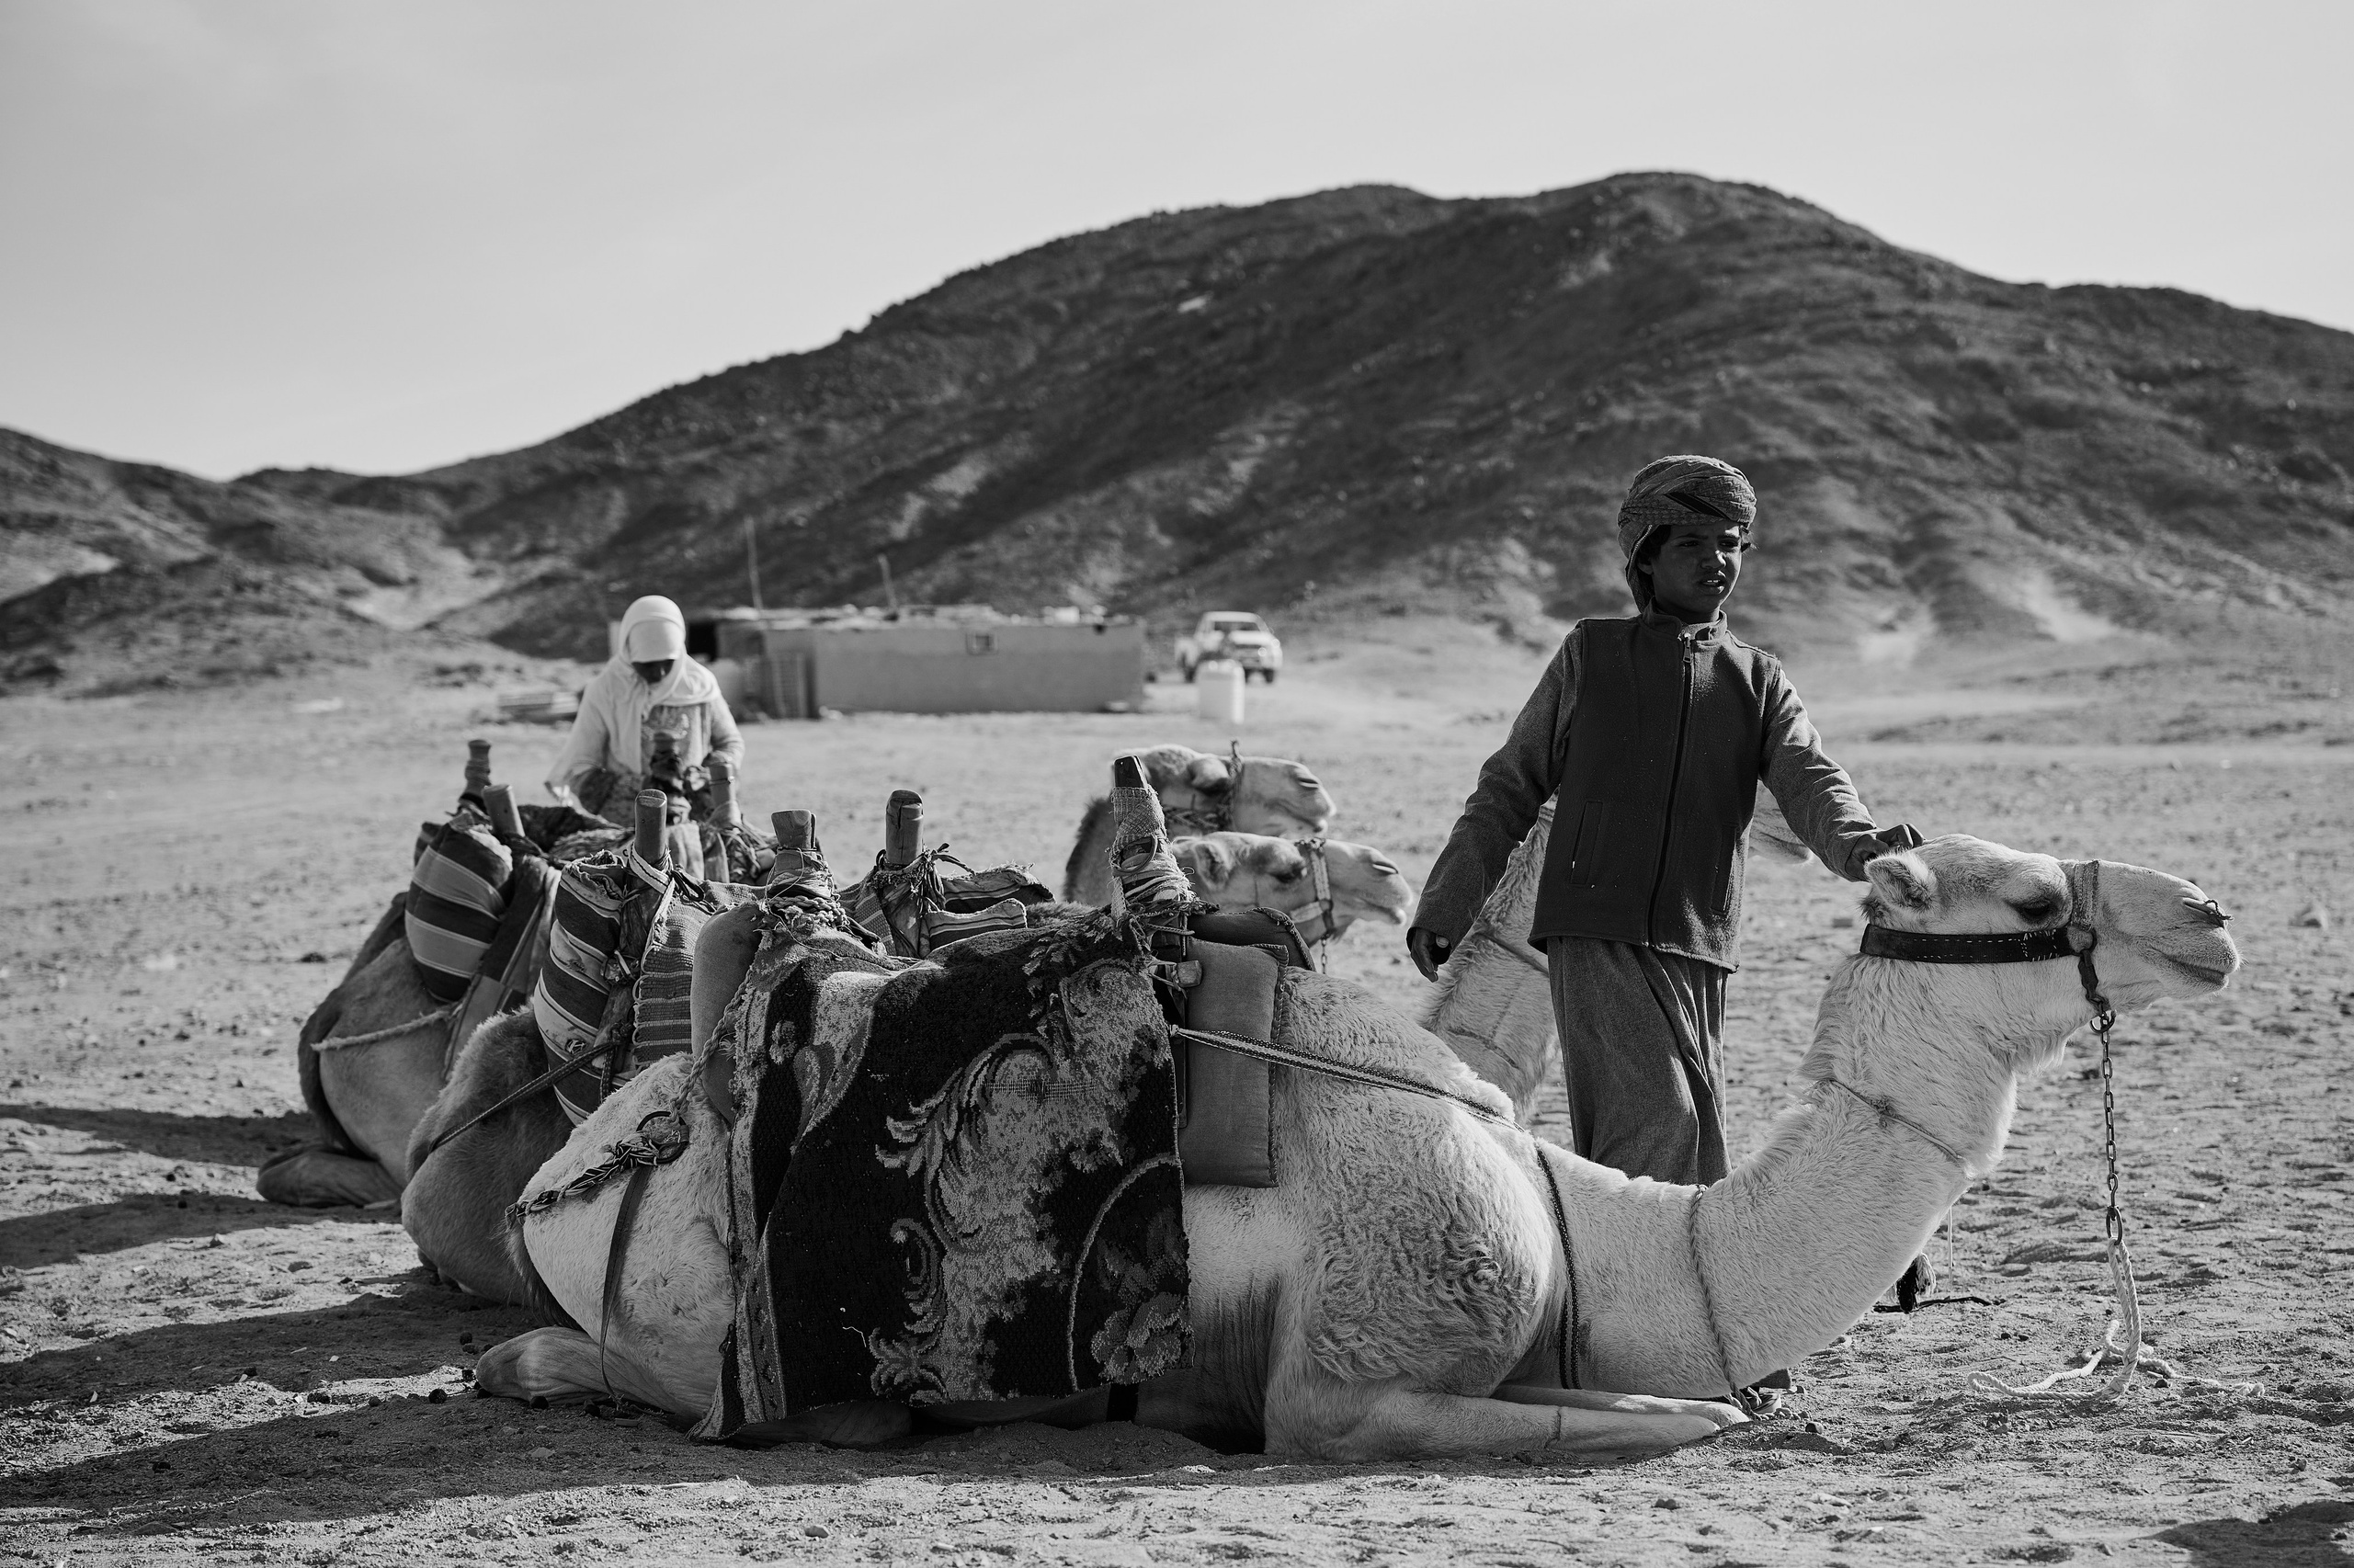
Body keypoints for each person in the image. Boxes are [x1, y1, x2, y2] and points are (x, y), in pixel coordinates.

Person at [1409, 455, 1920, 1189]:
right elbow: (1507, 786)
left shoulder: (1758, 679)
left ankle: (1663, 1286)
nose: (1717, 560)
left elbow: (1811, 780)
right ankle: (1633, 1292)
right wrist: (1449, 901)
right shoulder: (1592, 655)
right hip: (1594, 924)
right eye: (1691, 543)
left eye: (1730, 542)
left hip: (1699, 935)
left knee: (1696, 1129)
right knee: (1658, 1122)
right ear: (1645, 559)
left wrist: (1861, 845)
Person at [546, 595, 744, 826]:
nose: (659, 673)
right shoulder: (606, 689)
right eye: (648, 664)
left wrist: (706, 774)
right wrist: (637, 789)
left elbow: (730, 743)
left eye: (667, 662)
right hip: (630, 816)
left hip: (696, 814)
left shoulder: (699, 685)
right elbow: (581, 763)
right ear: (629, 652)